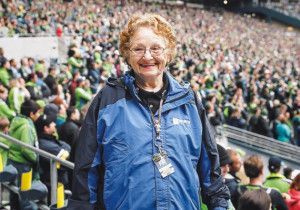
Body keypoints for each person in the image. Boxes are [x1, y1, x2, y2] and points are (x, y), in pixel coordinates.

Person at [67, 13, 230, 210]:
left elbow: (211, 172)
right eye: (138, 49)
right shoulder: (107, 101)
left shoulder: (189, 101)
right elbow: (85, 173)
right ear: (127, 54)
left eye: (155, 48)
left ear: (168, 53)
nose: (147, 56)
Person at [7, 99, 40, 210]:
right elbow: (26, 149)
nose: (39, 115)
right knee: (24, 196)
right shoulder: (26, 126)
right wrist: (35, 159)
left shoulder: (16, 120)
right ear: (31, 114)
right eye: (38, 112)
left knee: (14, 192)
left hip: (12, 160)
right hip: (23, 165)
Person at [35, 114, 71, 203]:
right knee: (58, 205)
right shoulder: (44, 144)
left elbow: (66, 146)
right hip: (53, 182)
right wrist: (66, 149)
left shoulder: (49, 139)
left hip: (59, 181)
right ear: (46, 128)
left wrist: (66, 149)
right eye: (52, 123)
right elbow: (65, 155)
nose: (54, 124)